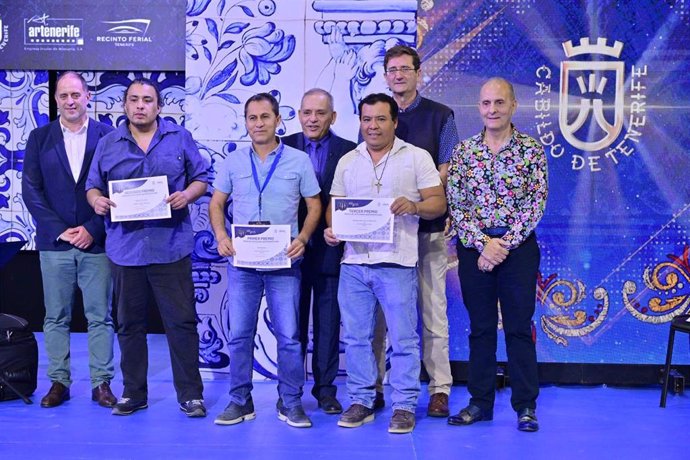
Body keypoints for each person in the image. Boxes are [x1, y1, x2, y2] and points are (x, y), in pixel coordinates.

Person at [325, 93, 446, 434]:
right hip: (354, 264)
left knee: (403, 338)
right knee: (358, 338)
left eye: (380, 119)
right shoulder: (349, 160)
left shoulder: (417, 157)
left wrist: (414, 206)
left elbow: (437, 203)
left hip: (397, 262)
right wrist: (332, 231)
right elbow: (336, 207)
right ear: (360, 122)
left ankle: (405, 405)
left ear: (394, 122)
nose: (373, 126)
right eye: (367, 120)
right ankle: (362, 400)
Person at [86, 78, 207, 417]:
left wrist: (188, 194)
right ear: (125, 105)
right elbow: (93, 186)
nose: (140, 105)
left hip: (171, 246)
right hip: (126, 249)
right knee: (129, 325)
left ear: (159, 106)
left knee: (181, 323)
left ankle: (191, 395)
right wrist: (97, 202)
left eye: (147, 100)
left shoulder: (179, 138)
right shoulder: (109, 143)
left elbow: (201, 177)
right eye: (134, 100)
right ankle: (134, 393)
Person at [209, 93, 322, 428]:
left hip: (283, 263)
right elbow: (216, 204)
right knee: (240, 335)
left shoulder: (298, 160)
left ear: (277, 121)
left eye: (264, 117)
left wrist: (302, 238)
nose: (258, 124)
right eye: (252, 118)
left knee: (288, 336)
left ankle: (290, 402)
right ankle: (239, 401)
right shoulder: (233, 162)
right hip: (243, 264)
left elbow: (315, 206)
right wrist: (221, 237)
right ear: (246, 123)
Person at [446, 77, 547, 432]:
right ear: (479, 108)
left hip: (517, 250)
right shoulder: (464, 153)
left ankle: (525, 407)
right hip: (475, 250)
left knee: (519, 328)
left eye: (499, 103)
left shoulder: (531, 150)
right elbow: (457, 205)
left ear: (513, 106)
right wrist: (482, 244)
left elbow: (536, 204)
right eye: (487, 103)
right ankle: (479, 403)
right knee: (481, 329)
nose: (493, 110)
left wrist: (502, 245)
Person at [22, 71, 116, 408]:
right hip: (55, 244)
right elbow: (31, 192)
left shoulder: (109, 136)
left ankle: (101, 384)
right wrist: (61, 230)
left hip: (98, 242)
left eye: (76, 94)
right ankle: (58, 382)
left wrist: (92, 228)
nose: (70, 101)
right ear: (57, 100)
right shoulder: (39, 138)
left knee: (100, 316)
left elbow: (115, 188)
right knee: (55, 317)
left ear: (88, 96)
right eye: (64, 96)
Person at [379, 44, 459, 417]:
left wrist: (415, 196)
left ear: (418, 72)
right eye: (392, 70)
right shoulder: (377, 114)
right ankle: (378, 386)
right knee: (383, 314)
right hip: (383, 235)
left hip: (426, 229)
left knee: (433, 312)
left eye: (404, 69)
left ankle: (440, 387)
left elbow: (447, 170)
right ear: (385, 75)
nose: (398, 75)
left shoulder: (440, 116)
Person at [282, 88, 356, 415]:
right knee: (291, 326)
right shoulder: (283, 147)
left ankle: (326, 391)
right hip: (288, 251)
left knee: (328, 324)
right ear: (299, 115)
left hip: (330, 252)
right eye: (307, 112)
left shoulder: (350, 151)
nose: (313, 119)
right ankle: (291, 391)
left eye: (321, 113)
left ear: (333, 117)